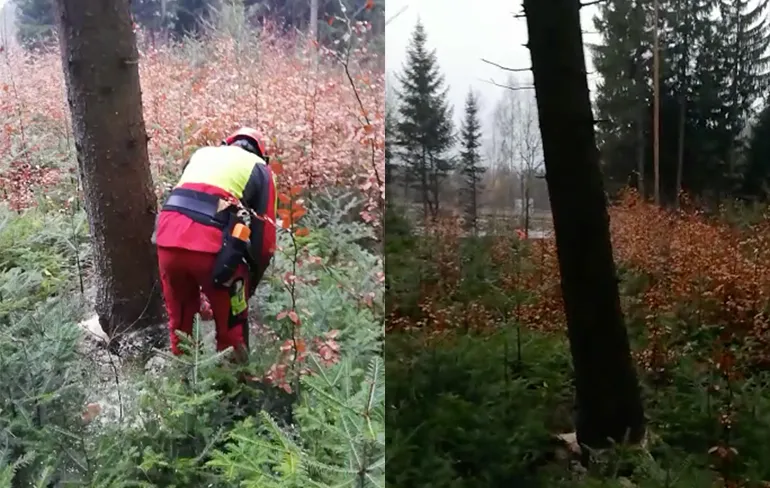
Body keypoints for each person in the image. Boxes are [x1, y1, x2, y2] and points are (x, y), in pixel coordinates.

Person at [153, 127, 277, 362]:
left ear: (227, 143)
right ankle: (234, 391)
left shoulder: (202, 154)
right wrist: (247, 288)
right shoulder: (261, 169)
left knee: (180, 321)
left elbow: (190, 202)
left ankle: (184, 383)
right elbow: (265, 243)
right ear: (262, 154)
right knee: (232, 328)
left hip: (167, 239)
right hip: (211, 249)